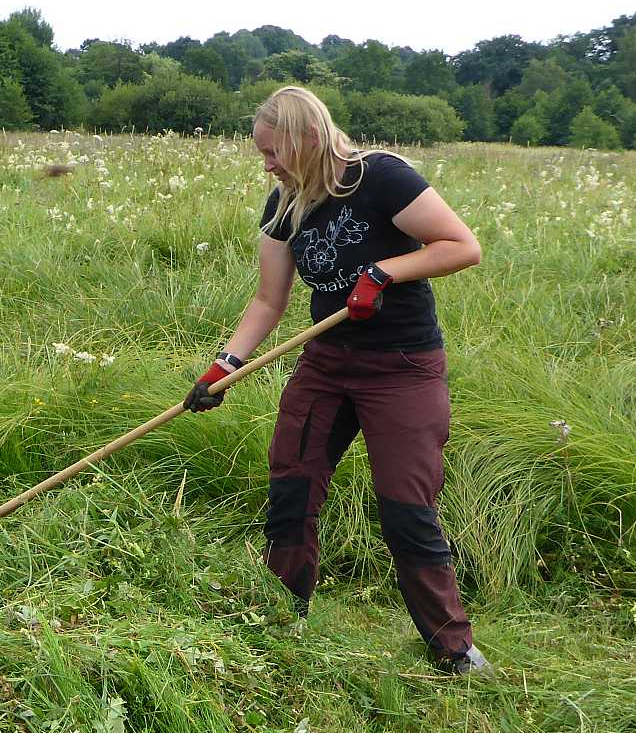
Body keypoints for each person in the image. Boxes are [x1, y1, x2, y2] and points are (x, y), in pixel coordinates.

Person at [185, 86, 489, 674]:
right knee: (292, 486)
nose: (266, 164)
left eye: (272, 151)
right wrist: (225, 367)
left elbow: (461, 246)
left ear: (304, 138)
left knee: (406, 506)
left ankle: (453, 649)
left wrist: (385, 271)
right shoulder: (283, 204)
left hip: (402, 367)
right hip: (327, 363)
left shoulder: (382, 178)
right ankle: (280, 621)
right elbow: (268, 300)